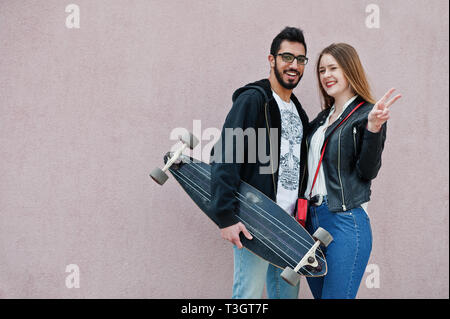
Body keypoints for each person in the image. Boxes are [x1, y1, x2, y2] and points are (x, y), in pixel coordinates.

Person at [209, 27, 310, 299]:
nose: (294, 65)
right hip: (257, 218)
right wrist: (226, 217)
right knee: (248, 296)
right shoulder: (254, 100)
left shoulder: (298, 112)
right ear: (271, 60)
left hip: (290, 225)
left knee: (285, 296)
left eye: (301, 60)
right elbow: (226, 155)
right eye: (287, 57)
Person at [304, 43, 402, 299]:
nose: (326, 75)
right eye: (322, 70)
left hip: (344, 220)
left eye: (333, 68)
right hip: (311, 222)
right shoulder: (322, 119)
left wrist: (373, 129)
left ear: (350, 70)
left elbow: (368, 171)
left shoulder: (368, 114)